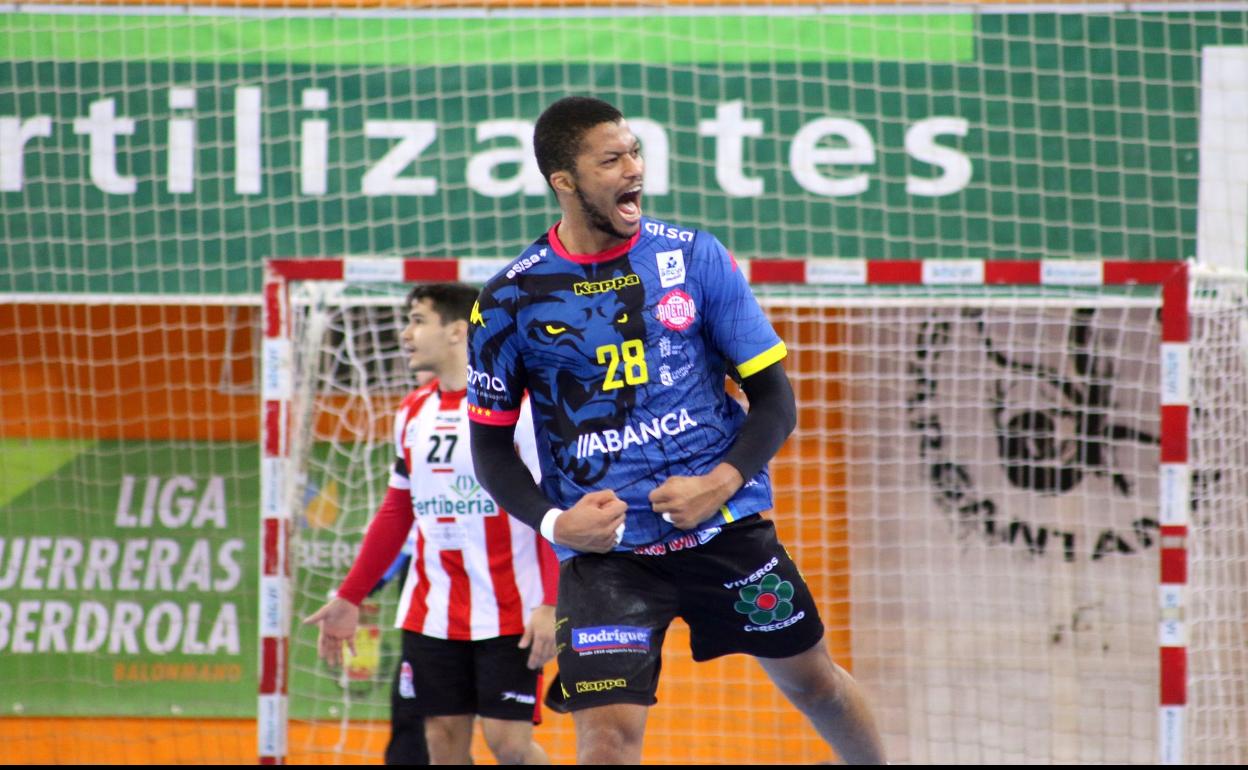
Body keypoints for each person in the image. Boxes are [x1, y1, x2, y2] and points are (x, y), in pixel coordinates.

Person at [466, 96, 887, 764]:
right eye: (611, 159)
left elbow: (776, 403)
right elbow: (489, 448)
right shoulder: (510, 298)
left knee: (813, 684)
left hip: (725, 528)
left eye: (634, 151)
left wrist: (717, 486)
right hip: (608, 558)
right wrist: (556, 525)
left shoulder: (695, 257)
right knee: (605, 737)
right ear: (565, 182)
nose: (633, 168)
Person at [305, 282, 559, 765]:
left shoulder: (522, 409)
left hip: (511, 611)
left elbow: (550, 510)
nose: (405, 333)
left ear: (457, 331)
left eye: (418, 320)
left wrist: (550, 601)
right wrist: (349, 596)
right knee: (441, 744)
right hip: (431, 612)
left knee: (509, 746)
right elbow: (397, 511)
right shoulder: (412, 412)